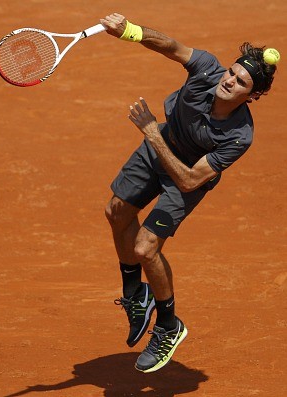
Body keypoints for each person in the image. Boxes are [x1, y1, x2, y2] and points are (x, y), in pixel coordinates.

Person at [100, 13, 278, 373]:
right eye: (231, 72)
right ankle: (136, 295)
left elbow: (187, 181)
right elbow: (170, 46)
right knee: (117, 212)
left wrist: (151, 131)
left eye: (241, 82)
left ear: (253, 95)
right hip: (160, 146)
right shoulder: (207, 71)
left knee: (145, 247)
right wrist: (130, 32)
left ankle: (168, 326)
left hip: (185, 175)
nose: (229, 81)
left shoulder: (238, 136)